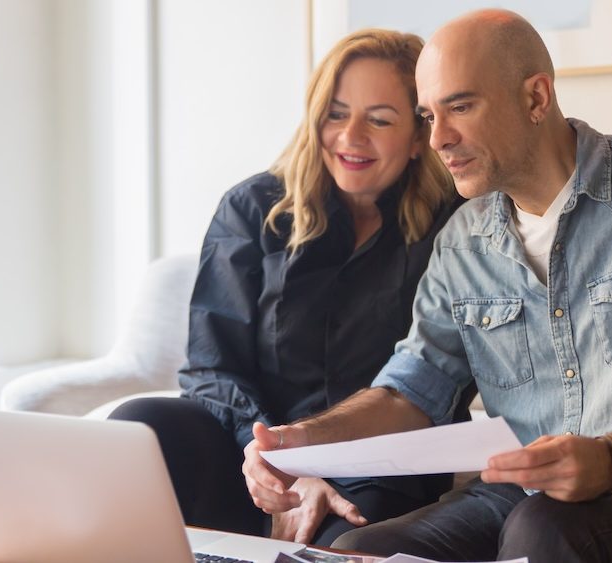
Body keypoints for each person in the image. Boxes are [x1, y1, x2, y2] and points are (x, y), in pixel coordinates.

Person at [242, 9, 612, 562]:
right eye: (429, 115)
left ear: (536, 98)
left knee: (546, 530)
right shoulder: (462, 242)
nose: (439, 138)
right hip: (519, 495)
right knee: (359, 551)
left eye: (461, 107)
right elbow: (409, 393)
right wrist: (298, 442)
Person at [108, 28, 465, 546]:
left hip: (379, 464)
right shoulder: (252, 207)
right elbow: (211, 368)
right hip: (250, 455)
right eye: (336, 114)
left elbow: (436, 384)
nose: (350, 136)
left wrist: (313, 462)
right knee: (141, 421)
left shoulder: (457, 225)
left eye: (379, 119)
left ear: (417, 136)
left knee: (346, 542)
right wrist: (274, 457)